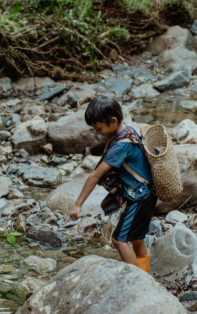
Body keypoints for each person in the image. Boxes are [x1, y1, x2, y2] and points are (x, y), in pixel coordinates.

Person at [65, 96, 156, 273]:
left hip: (140, 197)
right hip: (148, 192)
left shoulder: (119, 147)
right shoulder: (129, 130)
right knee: (137, 237)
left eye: (99, 128)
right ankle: (146, 275)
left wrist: (78, 204)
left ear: (113, 121)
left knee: (118, 240)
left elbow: (94, 176)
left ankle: (136, 280)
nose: (98, 133)